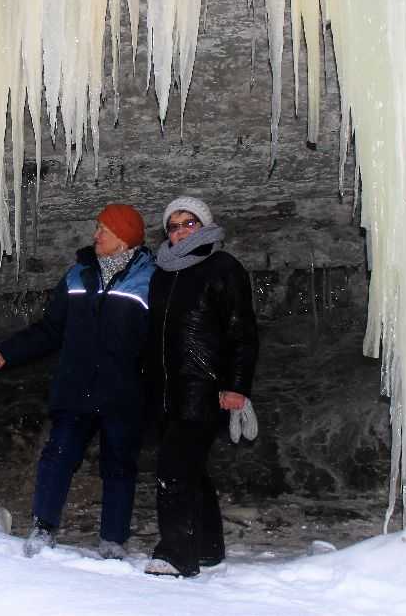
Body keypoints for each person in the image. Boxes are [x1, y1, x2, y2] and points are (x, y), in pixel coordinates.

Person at [0, 203, 155, 560]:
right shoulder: (78, 275)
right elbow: (50, 329)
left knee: (119, 465)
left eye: (104, 230)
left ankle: (113, 540)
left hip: (123, 392)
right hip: (75, 387)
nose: (96, 235)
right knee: (57, 457)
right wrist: (9, 352)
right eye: (98, 228)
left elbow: (160, 342)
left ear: (124, 240)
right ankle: (43, 528)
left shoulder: (150, 280)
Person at [144, 195, 258, 578]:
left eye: (188, 223)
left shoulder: (223, 268)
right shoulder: (161, 273)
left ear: (204, 225)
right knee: (192, 470)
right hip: (165, 390)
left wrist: (236, 386)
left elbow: (242, 332)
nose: (179, 232)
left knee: (173, 469)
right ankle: (209, 548)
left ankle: (176, 554)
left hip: (203, 388)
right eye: (173, 226)